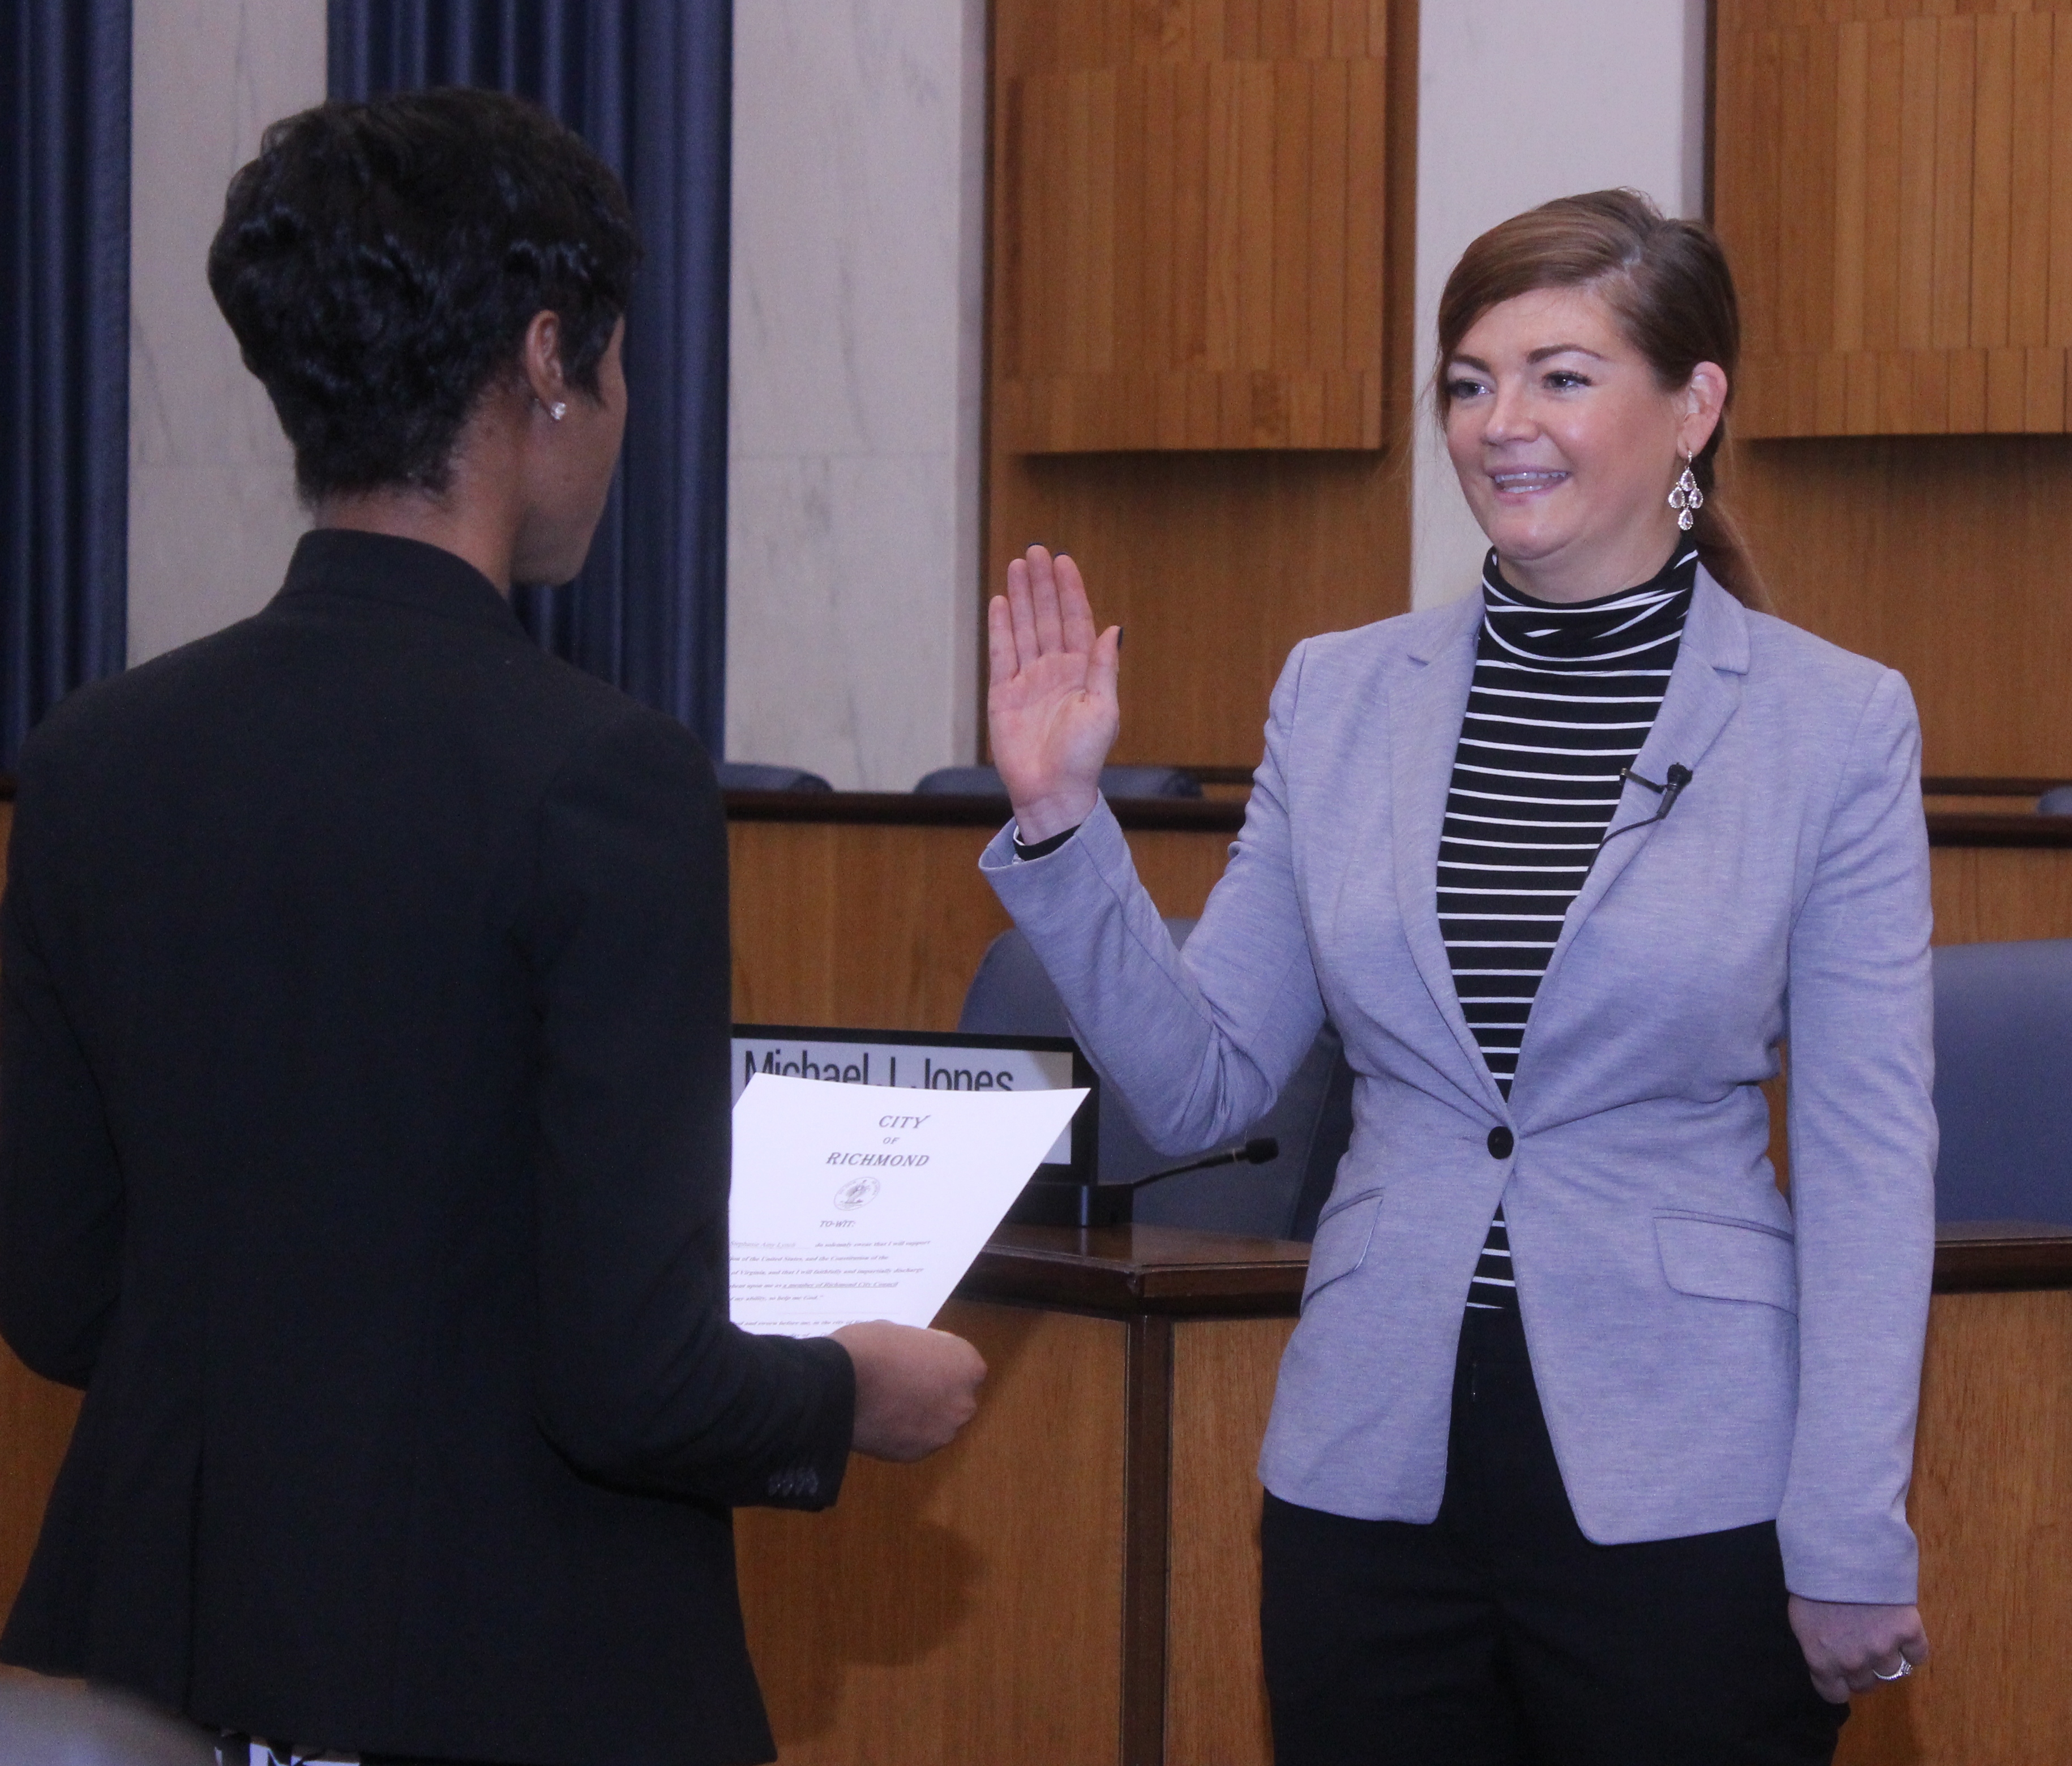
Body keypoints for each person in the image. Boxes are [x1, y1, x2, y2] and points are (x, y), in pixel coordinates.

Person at [0, 89, 985, 1766]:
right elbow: (636, 1379)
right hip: (518, 1663)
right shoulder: (602, 776)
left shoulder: (89, 760)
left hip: (164, 1658)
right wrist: (853, 1398)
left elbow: (59, 1293)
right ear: (549, 359)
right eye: (612, 363)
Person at [981, 190, 1934, 1765]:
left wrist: (1848, 1526)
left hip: (1689, 1486)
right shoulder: (1338, 694)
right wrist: (1058, 819)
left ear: (1693, 404)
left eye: (1560, 375)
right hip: (1372, 1476)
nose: (1503, 425)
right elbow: (1199, 1083)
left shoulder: (1832, 724)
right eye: (1468, 380)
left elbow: (1863, 1156)